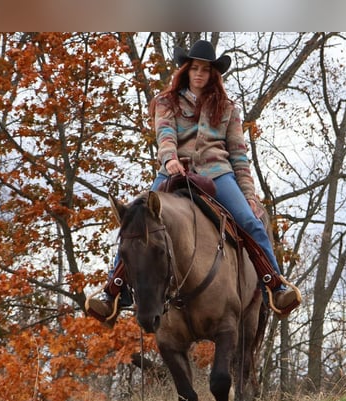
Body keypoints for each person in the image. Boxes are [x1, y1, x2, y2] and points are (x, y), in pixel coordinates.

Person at [87, 39, 300, 324]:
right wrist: (170, 159)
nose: (200, 74)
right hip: (174, 171)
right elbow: (165, 135)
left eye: (206, 69)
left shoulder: (227, 109)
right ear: (186, 70)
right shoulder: (166, 101)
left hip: (217, 173)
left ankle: (274, 284)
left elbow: (238, 155)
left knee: (249, 221)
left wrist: (248, 192)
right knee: (136, 222)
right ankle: (114, 291)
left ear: (213, 74)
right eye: (195, 68)